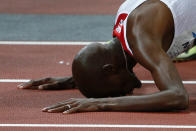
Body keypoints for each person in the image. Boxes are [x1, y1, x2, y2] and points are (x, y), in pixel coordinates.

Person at [18, 0, 196, 114]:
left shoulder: (141, 37)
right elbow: (101, 62)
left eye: (118, 91)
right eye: (119, 94)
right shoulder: (123, 26)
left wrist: (102, 103)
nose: (126, 92)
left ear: (110, 69)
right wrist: (80, 78)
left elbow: (177, 96)